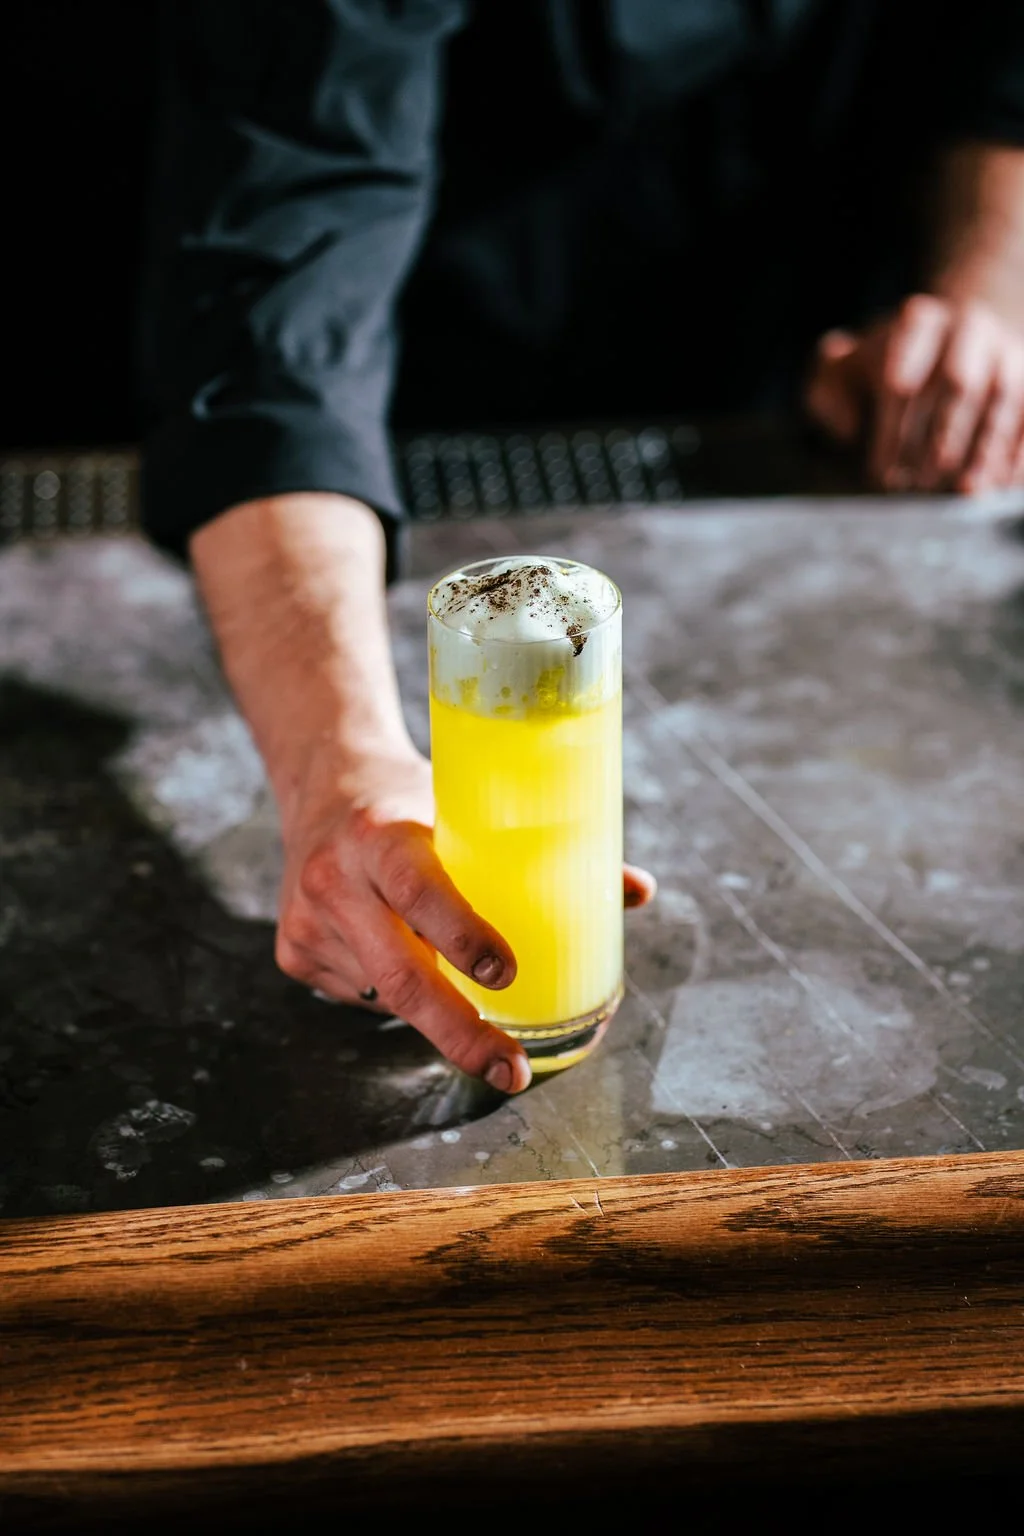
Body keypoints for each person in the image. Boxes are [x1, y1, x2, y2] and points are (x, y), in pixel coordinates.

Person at [139, 1, 1024, 1094]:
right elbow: (276, 311)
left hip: (792, 402)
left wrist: (983, 296)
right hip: (431, 412)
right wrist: (339, 770)